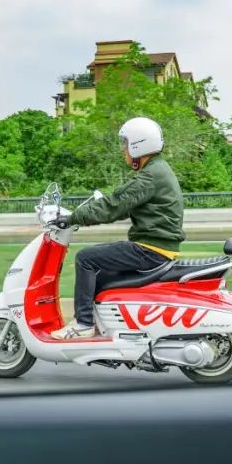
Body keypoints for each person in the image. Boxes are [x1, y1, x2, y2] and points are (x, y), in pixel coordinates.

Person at [51, 116, 185, 339]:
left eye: (125, 144)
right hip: (157, 247)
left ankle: (84, 325)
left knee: (86, 258)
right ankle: (103, 324)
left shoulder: (149, 176)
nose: (123, 149)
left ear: (137, 145)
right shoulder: (157, 170)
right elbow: (121, 206)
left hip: (151, 250)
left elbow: (113, 206)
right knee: (101, 275)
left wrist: (73, 217)